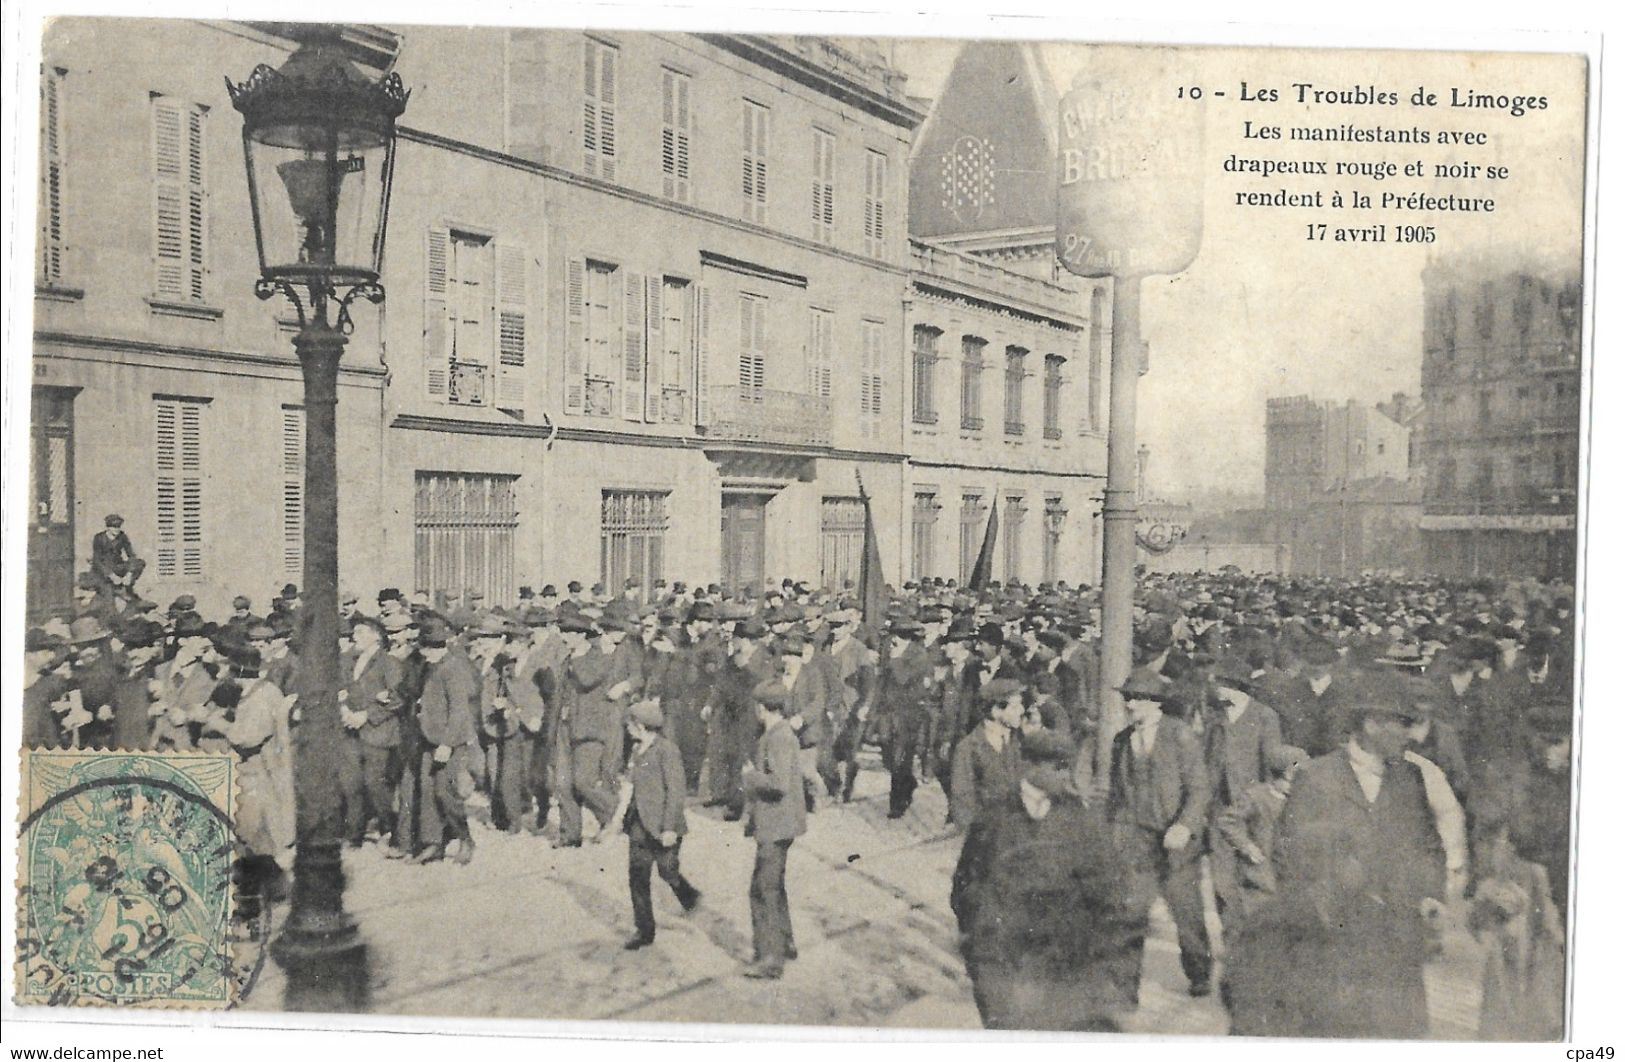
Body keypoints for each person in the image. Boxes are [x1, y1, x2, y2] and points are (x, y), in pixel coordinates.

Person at [1224, 670, 1448, 1039]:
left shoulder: (1410, 778)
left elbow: (1428, 846)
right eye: (1403, 723)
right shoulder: (1317, 777)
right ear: (1372, 724)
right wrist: (1325, 906)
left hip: (1397, 939)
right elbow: (1289, 853)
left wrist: (1429, 893)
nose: (1411, 735)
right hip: (1334, 940)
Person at [951, 731, 1147, 1031]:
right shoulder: (994, 816)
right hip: (1002, 955)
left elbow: (1108, 887)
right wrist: (978, 932)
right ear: (1029, 765)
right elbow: (966, 881)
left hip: (1062, 959)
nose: (1064, 775)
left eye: (1066, 766)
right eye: (1056, 767)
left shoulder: (1081, 820)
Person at [1106, 667, 1214, 999]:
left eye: (1137, 699)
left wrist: (1184, 825)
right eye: (1127, 698)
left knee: (1186, 912)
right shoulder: (1122, 741)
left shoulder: (1179, 735)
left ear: (1155, 703)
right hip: (1136, 840)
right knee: (1130, 912)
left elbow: (1200, 789)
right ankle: (1125, 989)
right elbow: (1116, 793)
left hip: (1176, 841)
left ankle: (1199, 974)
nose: (1130, 705)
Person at [611, 699, 702, 949]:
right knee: (637, 876)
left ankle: (688, 894)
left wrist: (670, 827)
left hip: (664, 825)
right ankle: (644, 930)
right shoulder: (637, 750)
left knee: (667, 870)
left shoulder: (667, 750)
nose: (627, 728)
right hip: (639, 823)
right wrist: (618, 818)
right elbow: (629, 786)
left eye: (630, 724)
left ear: (640, 725)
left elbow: (676, 790)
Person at [740, 681, 806, 979]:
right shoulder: (782, 734)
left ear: (763, 707)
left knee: (762, 890)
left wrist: (751, 776)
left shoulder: (778, 737)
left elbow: (778, 784)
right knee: (774, 886)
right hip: (782, 824)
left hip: (775, 824)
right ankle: (786, 941)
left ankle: (769, 957)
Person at [414, 619, 480, 865]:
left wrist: (447, 744)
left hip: (448, 744)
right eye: (424, 647)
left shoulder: (453, 669)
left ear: (443, 647)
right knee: (428, 793)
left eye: (432, 647)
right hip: (429, 741)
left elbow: (459, 710)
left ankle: (465, 839)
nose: (426, 652)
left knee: (446, 793)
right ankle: (434, 844)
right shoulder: (430, 667)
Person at [947, 678, 1025, 830]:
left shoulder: (1020, 740)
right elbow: (962, 800)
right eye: (1015, 706)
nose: (1022, 710)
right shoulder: (968, 748)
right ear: (995, 711)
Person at [90, 513, 145, 597]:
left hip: (117, 565)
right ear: (108, 527)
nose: (117, 529)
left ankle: (126, 585)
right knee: (106, 594)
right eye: (114, 527)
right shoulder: (99, 538)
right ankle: (116, 588)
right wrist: (111, 575)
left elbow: (131, 555)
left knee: (140, 563)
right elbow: (97, 560)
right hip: (104, 568)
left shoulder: (122, 536)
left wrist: (129, 573)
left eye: (118, 526)